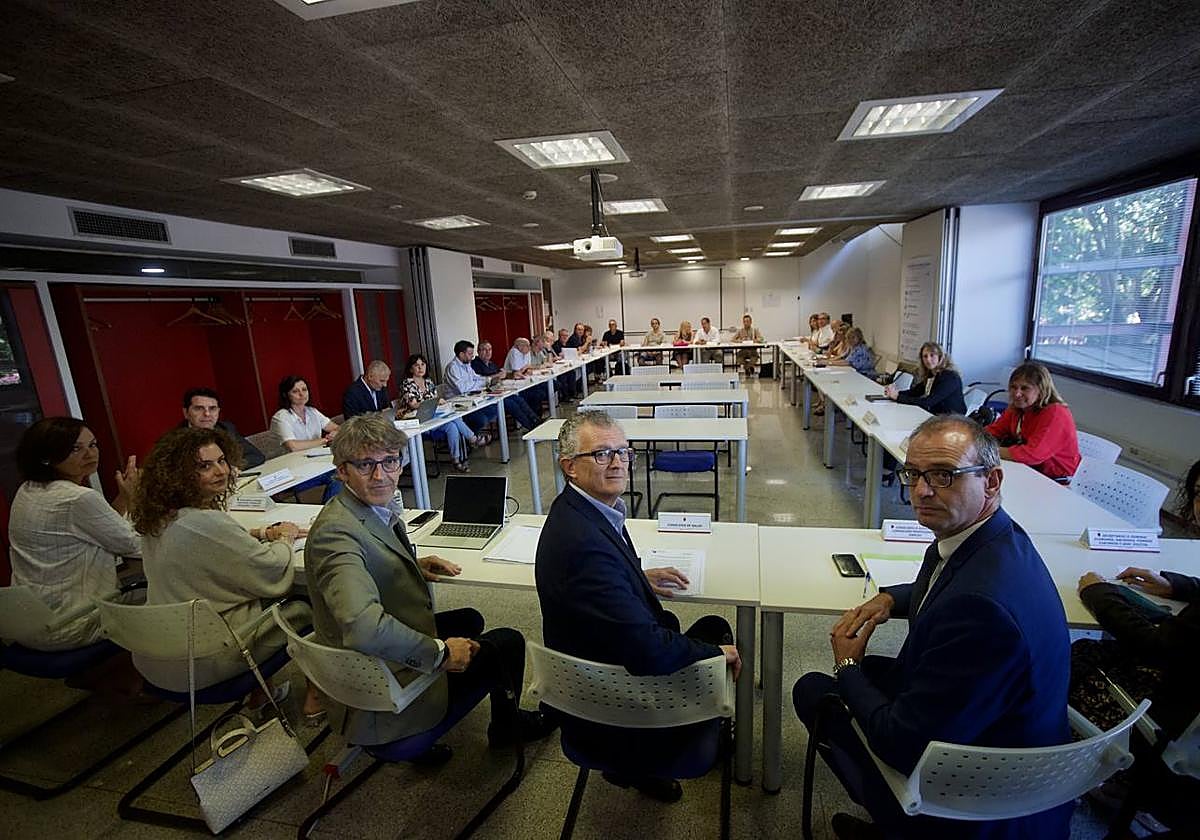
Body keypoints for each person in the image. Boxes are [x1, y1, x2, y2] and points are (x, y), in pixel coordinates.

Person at [793, 415, 1072, 839]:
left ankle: (900, 822)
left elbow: (900, 744)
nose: (921, 491)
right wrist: (893, 597)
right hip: (1002, 733)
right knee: (869, 678)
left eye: (944, 475)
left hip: (973, 792)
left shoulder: (980, 611)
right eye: (914, 474)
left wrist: (847, 665)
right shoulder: (994, 537)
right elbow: (948, 576)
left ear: (992, 481)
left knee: (816, 690)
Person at [304, 414, 555, 751]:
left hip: (373, 666)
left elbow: (365, 561)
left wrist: (409, 564)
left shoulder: (355, 510)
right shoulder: (336, 534)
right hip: (384, 695)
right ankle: (507, 730)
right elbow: (363, 627)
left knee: (469, 619)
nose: (381, 476)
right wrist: (440, 653)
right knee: (507, 641)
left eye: (390, 461)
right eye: (365, 465)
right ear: (341, 471)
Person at [535, 411, 742, 803]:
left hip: (593, 681)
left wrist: (633, 575)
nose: (617, 463)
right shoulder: (584, 544)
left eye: (622, 452)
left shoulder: (580, 511)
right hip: (618, 706)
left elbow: (593, 587)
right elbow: (647, 651)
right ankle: (669, 754)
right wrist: (718, 654)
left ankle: (633, 767)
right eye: (601, 454)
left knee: (692, 623)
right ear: (570, 467)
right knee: (715, 634)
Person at [128, 426, 321, 715]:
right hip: (208, 660)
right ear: (177, 474)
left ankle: (262, 696)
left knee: (247, 601)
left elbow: (215, 542)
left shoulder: (157, 518)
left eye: (221, 461)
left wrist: (259, 533)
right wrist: (284, 538)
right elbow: (270, 571)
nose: (220, 471)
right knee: (309, 601)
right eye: (205, 466)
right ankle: (315, 700)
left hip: (157, 654)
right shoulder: (207, 524)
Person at [8, 418, 140, 651]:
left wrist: (123, 498)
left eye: (93, 445)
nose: (90, 454)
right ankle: (128, 674)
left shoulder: (28, 489)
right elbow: (132, 545)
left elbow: (102, 529)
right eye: (75, 449)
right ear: (47, 456)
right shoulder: (76, 498)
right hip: (69, 623)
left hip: (29, 621)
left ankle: (107, 675)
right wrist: (135, 500)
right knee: (162, 594)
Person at [985, 362, 1081, 481]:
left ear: (1041, 390)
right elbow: (993, 431)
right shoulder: (1017, 408)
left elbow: (1032, 454)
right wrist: (973, 440)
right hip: (1029, 470)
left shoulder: (1056, 413)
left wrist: (987, 450)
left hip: (1056, 480)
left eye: (1025, 388)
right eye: (1013, 387)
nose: (1017, 394)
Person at [399, 353, 488, 473]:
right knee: (454, 418)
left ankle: (456, 460)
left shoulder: (429, 382)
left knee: (452, 426)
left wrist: (438, 402)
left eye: (423, 364)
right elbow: (413, 404)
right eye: (416, 365)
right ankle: (473, 439)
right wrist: (434, 402)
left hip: (434, 417)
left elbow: (434, 401)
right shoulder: (407, 384)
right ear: (410, 368)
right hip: (417, 421)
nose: (420, 368)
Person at [180, 387, 266, 468]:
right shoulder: (176, 440)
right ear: (186, 413)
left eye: (212, 408)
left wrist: (232, 468)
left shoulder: (226, 428)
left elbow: (256, 456)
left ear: (218, 411)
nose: (207, 414)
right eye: (199, 408)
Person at [883, 341, 966, 415]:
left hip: (953, 420)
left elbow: (928, 402)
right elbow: (915, 392)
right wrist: (894, 393)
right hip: (937, 416)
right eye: (925, 356)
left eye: (932, 355)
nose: (928, 360)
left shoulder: (950, 377)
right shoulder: (931, 374)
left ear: (940, 357)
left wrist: (898, 397)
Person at [270, 375, 339, 452]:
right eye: (295, 391)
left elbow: (337, 428)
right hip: (290, 461)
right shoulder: (281, 417)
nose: (301, 394)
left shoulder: (312, 411)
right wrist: (326, 440)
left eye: (304, 389)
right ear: (285, 395)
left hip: (315, 456)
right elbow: (293, 446)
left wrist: (335, 433)